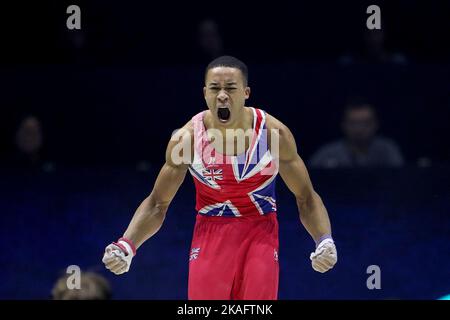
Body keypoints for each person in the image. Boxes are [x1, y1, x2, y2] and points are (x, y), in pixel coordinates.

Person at [102, 56, 337, 300]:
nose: (222, 95)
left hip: (260, 231)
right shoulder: (187, 139)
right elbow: (157, 203)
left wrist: (324, 240)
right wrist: (127, 244)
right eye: (215, 88)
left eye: (230, 88)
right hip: (210, 233)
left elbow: (306, 198)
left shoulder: (272, 134)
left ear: (246, 92)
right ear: (205, 93)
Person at [309, 100, 404, 168]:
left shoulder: (388, 151)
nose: (359, 129)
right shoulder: (327, 154)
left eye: (365, 123)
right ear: (344, 125)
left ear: (375, 124)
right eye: (353, 123)